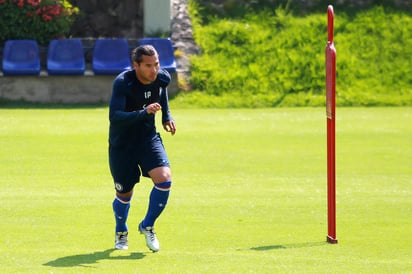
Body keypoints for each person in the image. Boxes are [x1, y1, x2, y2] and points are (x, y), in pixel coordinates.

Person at [108, 45, 176, 252]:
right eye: (148, 66)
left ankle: (147, 225)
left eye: (156, 64)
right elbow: (115, 117)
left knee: (164, 179)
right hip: (122, 145)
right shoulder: (123, 83)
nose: (154, 70)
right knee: (125, 195)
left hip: (148, 140)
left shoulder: (162, 77)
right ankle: (121, 231)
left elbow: (161, 91)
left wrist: (166, 117)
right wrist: (144, 113)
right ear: (135, 65)